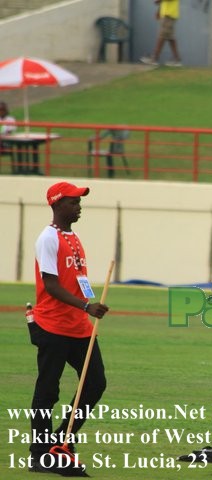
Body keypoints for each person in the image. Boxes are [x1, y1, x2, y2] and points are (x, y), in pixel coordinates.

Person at [28, 182, 109, 474]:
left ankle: (63, 438)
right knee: (48, 389)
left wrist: (87, 305)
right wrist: (85, 306)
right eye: (73, 202)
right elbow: (50, 285)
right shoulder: (47, 238)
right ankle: (39, 454)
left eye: (79, 201)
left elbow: (74, 279)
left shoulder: (73, 237)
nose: (79, 206)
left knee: (96, 382)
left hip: (79, 326)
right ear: (57, 204)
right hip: (53, 325)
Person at [140, 0, 182, 67]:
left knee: (162, 36)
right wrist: (159, 11)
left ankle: (154, 58)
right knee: (170, 37)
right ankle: (177, 59)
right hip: (166, 15)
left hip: (169, 15)